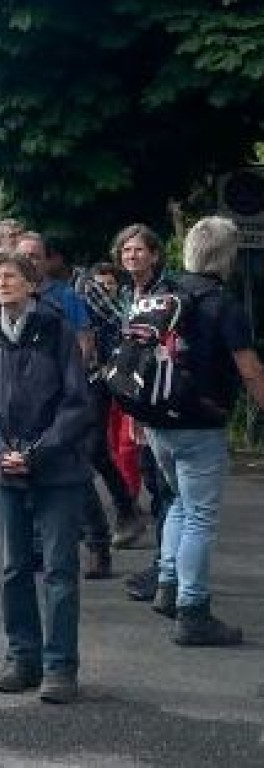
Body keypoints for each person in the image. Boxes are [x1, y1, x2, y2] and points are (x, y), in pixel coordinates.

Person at [0, 246, 93, 706]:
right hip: (6, 469)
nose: (2, 283)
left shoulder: (57, 331)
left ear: (31, 283)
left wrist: (36, 453)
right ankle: (22, 657)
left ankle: (60, 665)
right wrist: (1, 451)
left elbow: (77, 404)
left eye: (11, 276)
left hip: (58, 468)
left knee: (59, 569)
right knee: (14, 568)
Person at [142, 216, 264, 646]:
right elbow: (249, 370)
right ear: (227, 255)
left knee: (178, 502)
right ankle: (192, 611)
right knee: (200, 517)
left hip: (157, 420)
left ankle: (167, 585)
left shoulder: (163, 294)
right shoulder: (222, 303)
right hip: (201, 423)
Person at [18, 231, 112, 578]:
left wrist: (69, 385)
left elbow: (86, 342)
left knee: (74, 474)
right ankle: (40, 548)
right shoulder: (12, 297)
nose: (29, 261)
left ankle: (98, 544)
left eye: (35, 256)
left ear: (46, 261)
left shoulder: (66, 297)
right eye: (23, 255)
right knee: (31, 472)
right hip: (27, 404)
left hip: (65, 400)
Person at [113, 222, 176, 603]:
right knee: (155, 483)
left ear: (154, 254)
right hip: (134, 398)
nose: (131, 256)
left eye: (138, 250)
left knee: (166, 488)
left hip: (157, 399)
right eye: (125, 251)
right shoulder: (126, 294)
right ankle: (164, 563)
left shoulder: (164, 295)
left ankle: (166, 570)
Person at [75, 257, 149, 552]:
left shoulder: (82, 290)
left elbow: (122, 325)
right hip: (64, 380)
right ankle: (95, 523)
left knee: (95, 449)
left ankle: (123, 510)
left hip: (98, 378)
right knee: (77, 453)